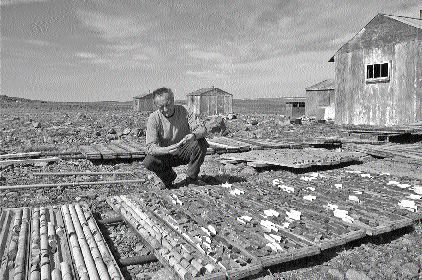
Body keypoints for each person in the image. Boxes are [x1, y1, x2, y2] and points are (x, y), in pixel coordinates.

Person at [143, 87, 209, 189]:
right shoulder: (154, 118)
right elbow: (150, 147)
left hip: (184, 151)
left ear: (173, 100)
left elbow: (202, 130)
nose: (165, 109)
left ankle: (191, 179)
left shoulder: (185, 110)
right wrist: (167, 150)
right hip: (166, 154)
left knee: (201, 142)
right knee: (149, 161)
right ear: (156, 105)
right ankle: (168, 178)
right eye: (161, 107)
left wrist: (194, 135)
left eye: (168, 105)